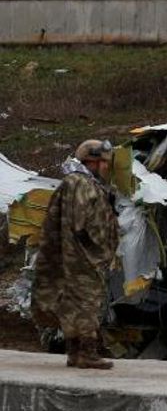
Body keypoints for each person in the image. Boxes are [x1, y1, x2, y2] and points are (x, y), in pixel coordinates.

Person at [31, 139, 120, 370]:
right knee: (87, 303)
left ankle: (75, 353)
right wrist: (98, 248)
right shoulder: (81, 184)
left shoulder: (77, 181)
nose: (106, 168)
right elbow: (83, 223)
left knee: (75, 303)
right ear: (93, 161)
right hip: (82, 256)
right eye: (103, 162)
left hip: (75, 255)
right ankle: (87, 353)